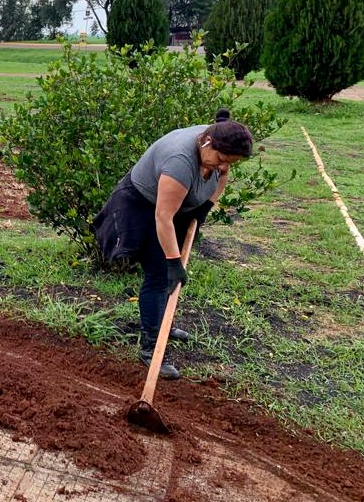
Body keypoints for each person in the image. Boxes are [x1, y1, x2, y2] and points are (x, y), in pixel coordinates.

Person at [92, 109, 252, 380]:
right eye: (221, 159)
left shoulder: (217, 146)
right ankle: (151, 347)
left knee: (167, 274)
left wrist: (206, 206)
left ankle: (163, 324)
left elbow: (222, 175)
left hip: (174, 208)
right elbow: (163, 217)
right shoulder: (179, 162)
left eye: (230, 162)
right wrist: (173, 262)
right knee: (160, 274)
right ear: (207, 143)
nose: (223, 166)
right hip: (143, 207)